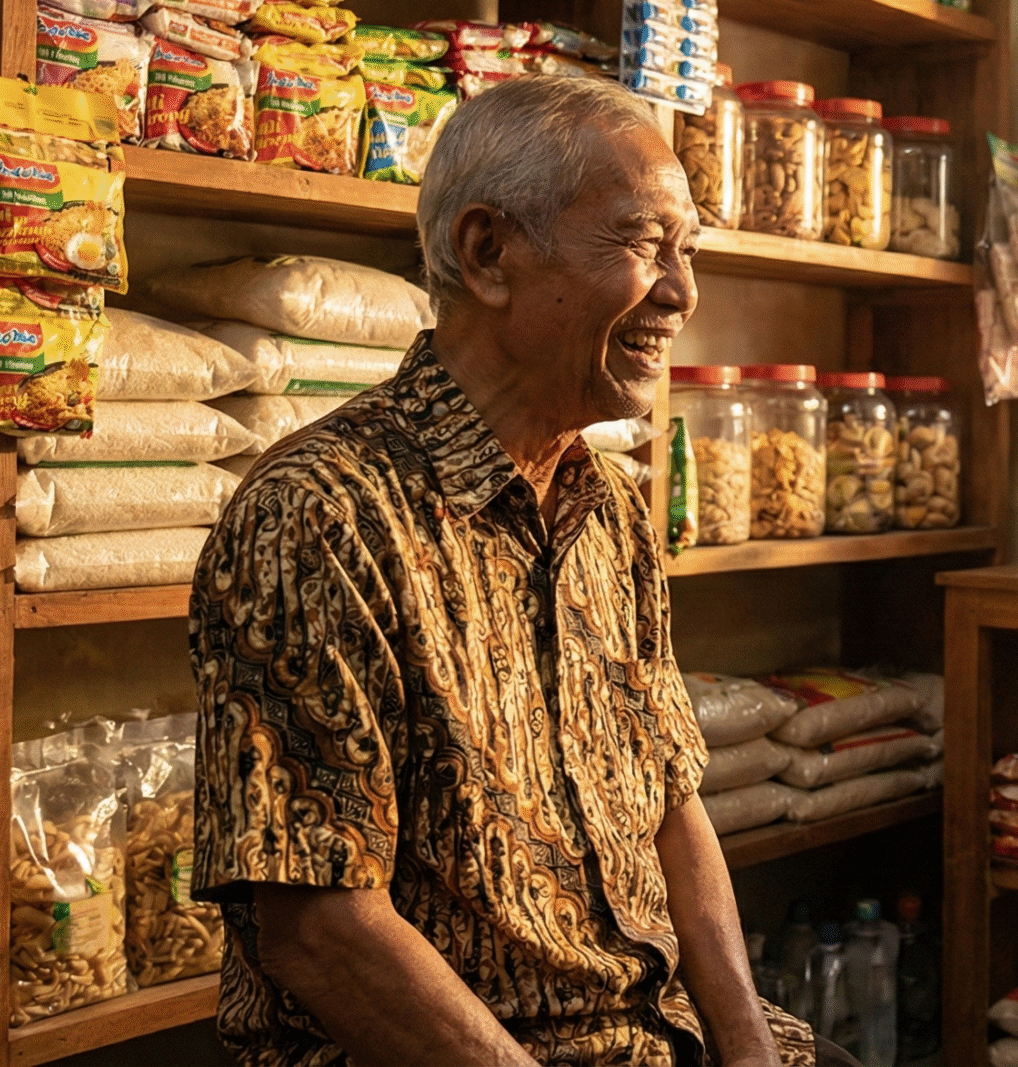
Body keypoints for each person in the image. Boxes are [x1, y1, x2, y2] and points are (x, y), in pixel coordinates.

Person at [190, 77, 835, 1067]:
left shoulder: (611, 506)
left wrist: (750, 1053)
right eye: (644, 245)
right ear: (488, 253)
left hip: (648, 1034)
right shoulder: (319, 515)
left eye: (689, 252)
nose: (682, 292)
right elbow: (319, 927)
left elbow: (672, 801)